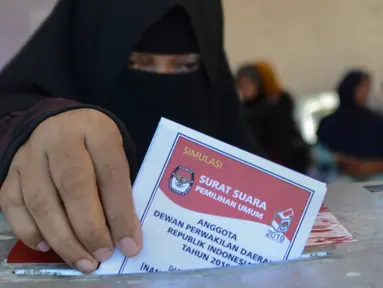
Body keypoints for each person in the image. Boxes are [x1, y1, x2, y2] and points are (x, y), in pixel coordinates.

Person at [0, 0, 264, 274]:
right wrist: (35, 129)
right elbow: (13, 115)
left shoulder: (238, 147)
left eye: (186, 65)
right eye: (140, 62)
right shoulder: (38, 121)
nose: (164, 79)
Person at [236, 61, 310, 174]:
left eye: (247, 84)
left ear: (259, 83)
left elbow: (282, 135)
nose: (244, 89)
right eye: (241, 85)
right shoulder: (245, 107)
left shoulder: (279, 101)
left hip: (285, 161)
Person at [317, 69, 383, 179]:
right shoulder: (329, 122)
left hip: (376, 181)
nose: (367, 91)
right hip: (340, 182)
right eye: (363, 86)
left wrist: (367, 167)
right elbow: (320, 156)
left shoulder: (376, 121)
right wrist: (341, 160)